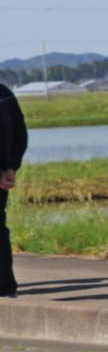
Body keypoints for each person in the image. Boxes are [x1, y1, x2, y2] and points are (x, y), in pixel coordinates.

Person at [0, 85, 27, 298]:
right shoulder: (4, 94)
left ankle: (4, 287)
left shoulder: (4, 95)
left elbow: (18, 132)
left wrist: (10, 166)